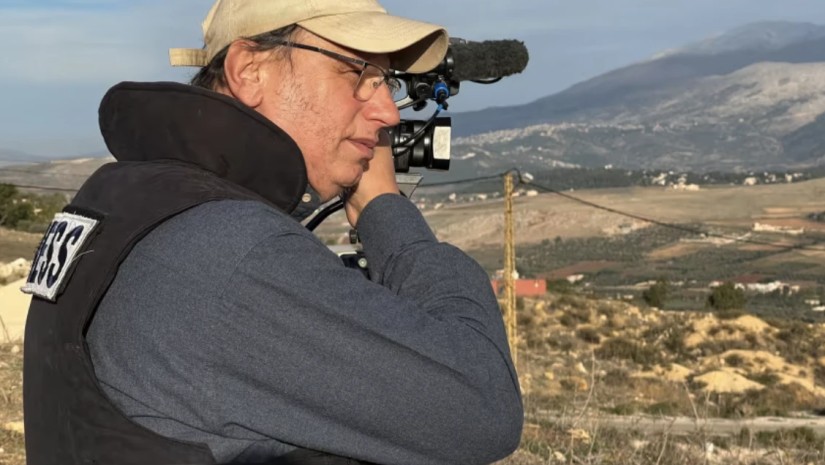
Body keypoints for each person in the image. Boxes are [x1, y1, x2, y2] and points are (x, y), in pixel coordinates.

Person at [22, 0, 523, 464]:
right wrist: (383, 206)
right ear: (250, 71)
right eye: (357, 73)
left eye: (386, 82)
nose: (388, 113)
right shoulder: (232, 251)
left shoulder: (127, 194)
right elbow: (482, 408)